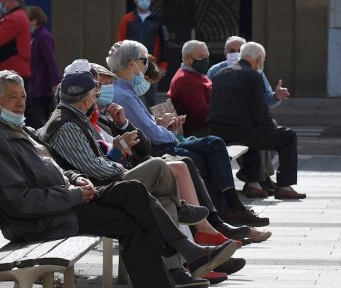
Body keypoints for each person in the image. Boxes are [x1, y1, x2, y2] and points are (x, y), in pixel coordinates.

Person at [0, 70, 237, 288]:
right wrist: (73, 194)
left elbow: (54, 166)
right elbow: (20, 201)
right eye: (12, 97)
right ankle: (185, 254)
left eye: (23, 95)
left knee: (132, 202)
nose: (21, 101)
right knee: (132, 198)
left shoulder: (17, 127)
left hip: (61, 206)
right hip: (40, 220)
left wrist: (75, 179)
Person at [108, 40, 271, 228]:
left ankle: (228, 209)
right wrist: (169, 133)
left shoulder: (128, 91)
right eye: (144, 61)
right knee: (200, 157)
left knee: (214, 144)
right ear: (132, 63)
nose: (147, 67)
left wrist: (162, 125)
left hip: (164, 140)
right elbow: (153, 134)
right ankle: (219, 217)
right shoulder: (124, 94)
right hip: (157, 148)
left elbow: (149, 128)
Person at [208, 42, 306, 200]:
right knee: (288, 136)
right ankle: (284, 186)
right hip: (241, 131)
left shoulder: (221, 74)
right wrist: (271, 126)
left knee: (253, 136)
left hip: (218, 130)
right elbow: (260, 112)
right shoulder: (253, 75)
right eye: (263, 60)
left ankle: (254, 184)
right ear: (259, 59)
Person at [116, 0, 169, 107]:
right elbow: (120, 43)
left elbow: (165, 43)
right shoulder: (127, 19)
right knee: (130, 97)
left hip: (152, 65)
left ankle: (153, 122)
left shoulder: (158, 20)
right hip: (130, 65)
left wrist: (163, 65)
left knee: (152, 99)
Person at [24, 6, 61, 129]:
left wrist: (54, 83)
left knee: (43, 117)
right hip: (36, 85)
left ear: (34, 20)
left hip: (43, 87)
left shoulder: (43, 36)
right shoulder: (36, 36)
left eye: (27, 20)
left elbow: (51, 61)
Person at [167, 40, 212, 137]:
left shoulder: (197, 74)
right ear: (187, 59)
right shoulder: (185, 79)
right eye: (201, 57)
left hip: (206, 128)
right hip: (198, 133)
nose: (206, 60)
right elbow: (202, 113)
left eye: (207, 57)